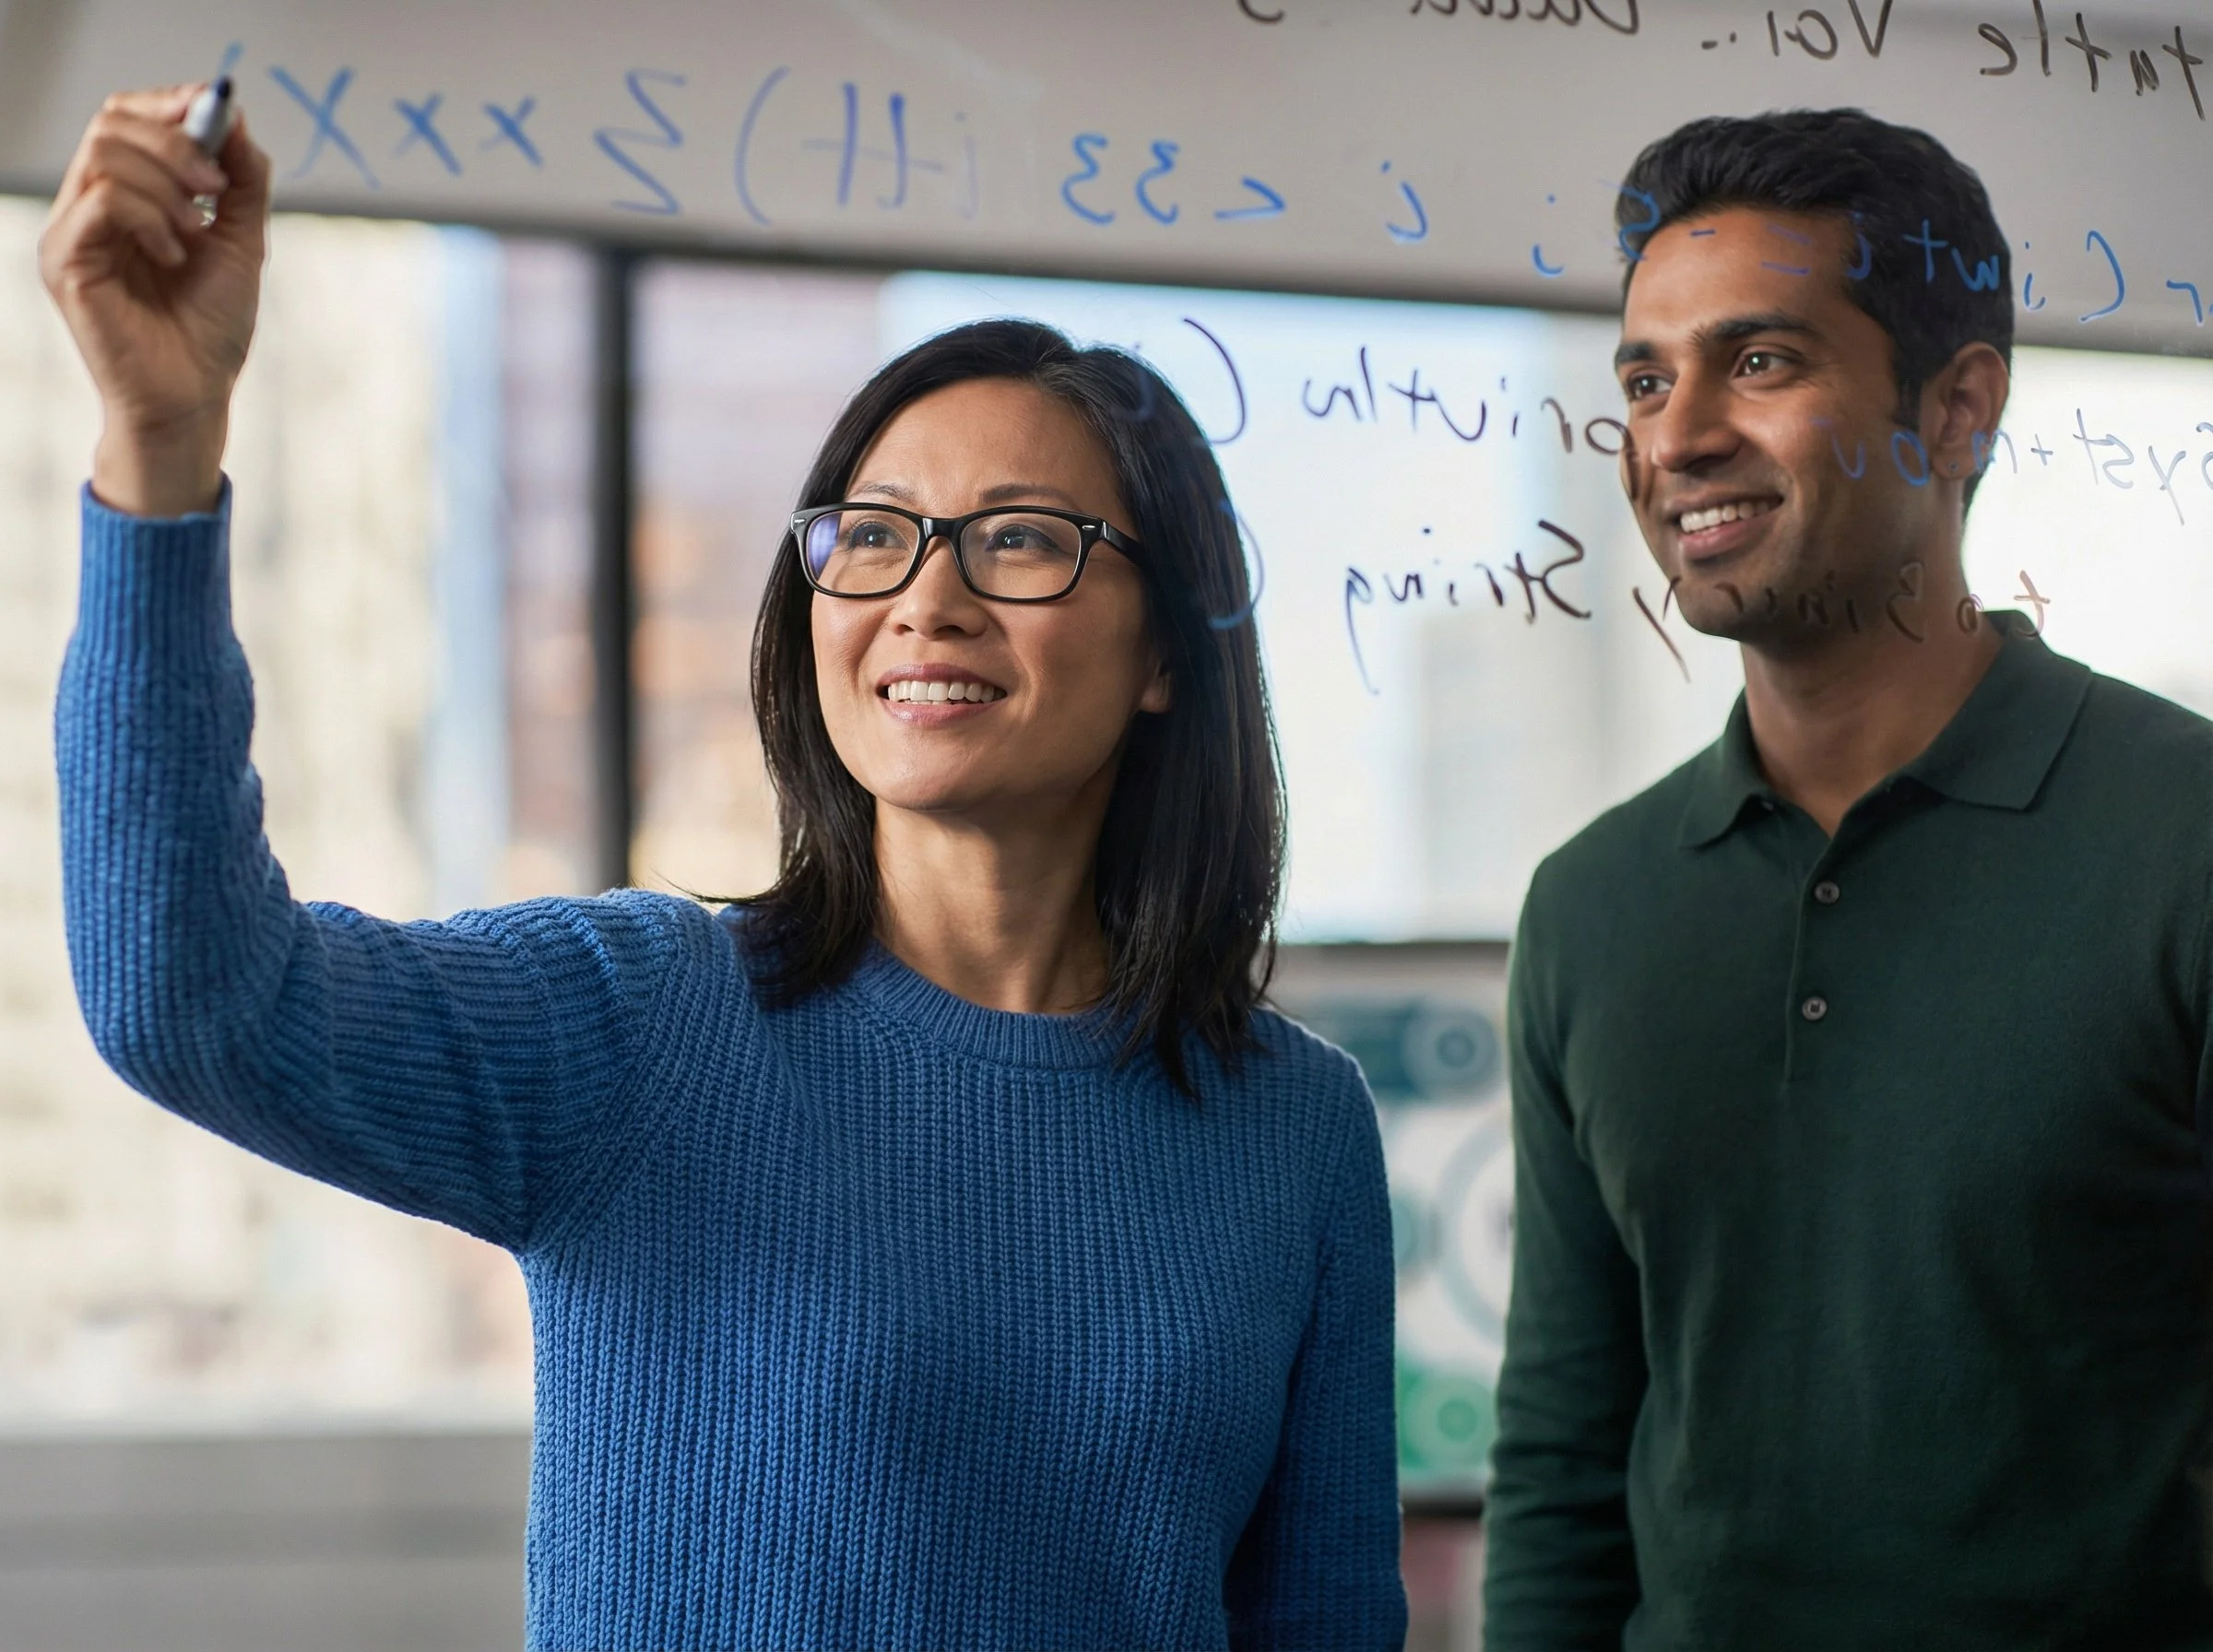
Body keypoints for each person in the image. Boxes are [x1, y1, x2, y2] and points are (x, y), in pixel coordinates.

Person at [41, 85, 1407, 1650]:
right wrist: (161, 446)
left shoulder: (1297, 1129)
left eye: (1022, 539)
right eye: (872, 535)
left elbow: (1324, 1625)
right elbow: (190, 1004)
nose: (927, 598)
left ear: (1167, 650)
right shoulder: (645, 1020)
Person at [1483, 109, 2213, 1649]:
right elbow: (1562, 1460)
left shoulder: (2186, 836)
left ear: (1957, 411)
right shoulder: (1592, 909)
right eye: (1644, 380)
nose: (1677, 437)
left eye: (1759, 362)